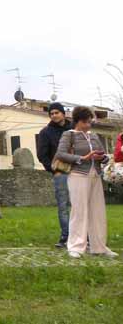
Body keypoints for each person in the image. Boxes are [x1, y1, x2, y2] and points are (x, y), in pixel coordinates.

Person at [54, 106, 118, 259]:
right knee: (79, 211)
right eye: (85, 122)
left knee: (98, 212)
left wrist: (101, 158)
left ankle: (99, 246)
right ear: (77, 121)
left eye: (90, 122)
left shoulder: (94, 136)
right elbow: (60, 154)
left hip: (95, 175)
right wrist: (82, 158)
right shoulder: (69, 135)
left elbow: (104, 156)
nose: (88, 125)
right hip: (78, 175)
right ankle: (76, 246)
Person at [36, 102, 72, 248]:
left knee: (79, 205)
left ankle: (83, 236)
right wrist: (53, 170)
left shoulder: (73, 128)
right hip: (60, 173)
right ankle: (66, 236)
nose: (54, 115)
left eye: (57, 112)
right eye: (51, 113)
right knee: (63, 205)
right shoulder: (46, 132)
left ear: (63, 113)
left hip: (78, 171)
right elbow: (42, 154)